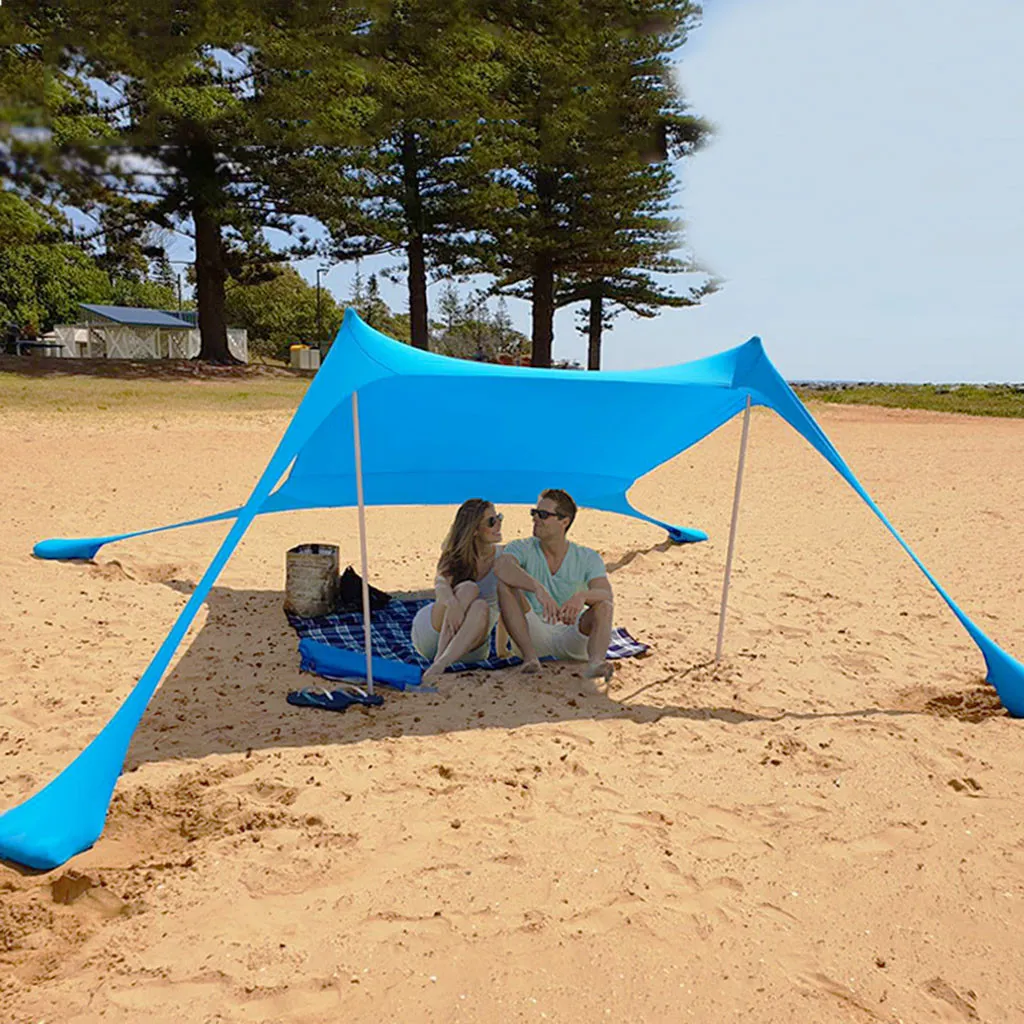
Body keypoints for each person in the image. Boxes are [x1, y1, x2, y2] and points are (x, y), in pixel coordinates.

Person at [495, 488, 614, 681]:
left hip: (572, 634)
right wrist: (537, 588)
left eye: (543, 515)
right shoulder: (522, 547)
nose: (535, 519)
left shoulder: (587, 557)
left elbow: (606, 593)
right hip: (533, 633)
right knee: (504, 585)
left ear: (564, 522)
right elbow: (502, 567)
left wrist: (582, 596)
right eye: (534, 513)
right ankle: (530, 659)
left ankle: (596, 663)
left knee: (604, 606)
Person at [412, 498, 507, 684]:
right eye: (491, 521)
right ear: (474, 530)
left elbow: (508, 604)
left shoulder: (504, 558)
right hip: (433, 635)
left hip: (471, 643)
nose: (499, 524)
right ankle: (440, 657)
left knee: (481, 606)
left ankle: (440, 663)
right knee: (469, 588)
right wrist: (453, 604)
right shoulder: (456, 555)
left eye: (499, 517)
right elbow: (440, 583)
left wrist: (502, 648)